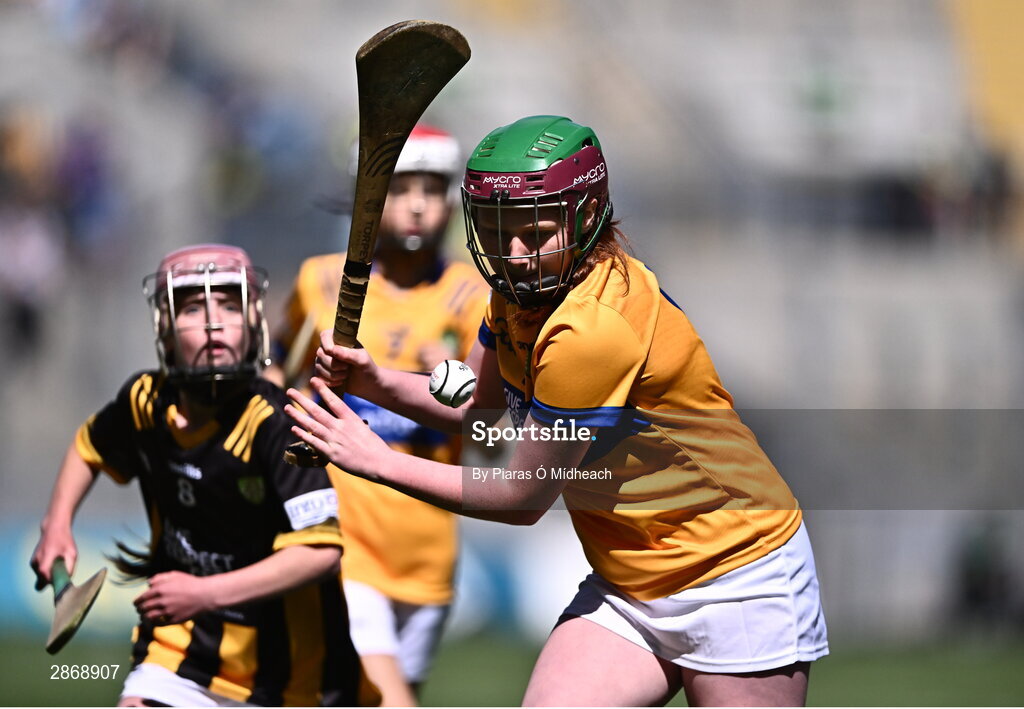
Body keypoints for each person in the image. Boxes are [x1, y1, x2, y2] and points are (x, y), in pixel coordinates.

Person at [285, 115, 829, 707]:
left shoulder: (591, 333)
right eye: (497, 231)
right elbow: (478, 406)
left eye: (534, 232)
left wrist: (371, 458)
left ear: (585, 217)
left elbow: (520, 497)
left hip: (732, 572)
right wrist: (379, 381)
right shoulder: (523, 286)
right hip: (631, 578)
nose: (513, 253)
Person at [30, 244, 379, 708]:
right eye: (193, 307)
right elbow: (89, 446)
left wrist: (203, 592)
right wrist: (57, 526)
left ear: (253, 324)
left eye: (229, 305)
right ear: (166, 331)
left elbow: (319, 552)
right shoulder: (144, 401)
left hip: (296, 681)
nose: (214, 322)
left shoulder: (277, 423)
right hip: (181, 653)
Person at [268, 124, 488, 705]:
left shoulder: (474, 297)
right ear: (369, 198)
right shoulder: (319, 281)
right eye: (400, 188)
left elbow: (490, 430)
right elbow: (276, 364)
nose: (417, 205)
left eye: (433, 189)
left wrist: (445, 374)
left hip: (429, 558)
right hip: (344, 544)